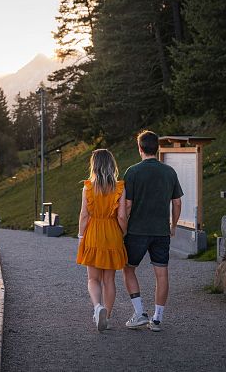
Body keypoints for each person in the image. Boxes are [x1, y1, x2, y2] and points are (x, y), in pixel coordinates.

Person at [122, 130, 182, 332]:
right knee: (162, 274)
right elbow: (177, 202)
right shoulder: (169, 172)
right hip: (161, 231)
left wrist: (123, 227)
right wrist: (173, 226)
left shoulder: (132, 172)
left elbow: (128, 205)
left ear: (140, 148)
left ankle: (139, 313)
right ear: (157, 148)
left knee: (129, 269)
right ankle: (157, 319)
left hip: (137, 230)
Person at [76, 149, 128, 332]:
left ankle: (98, 307)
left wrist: (81, 236)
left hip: (94, 234)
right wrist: (123, 233)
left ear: (94, 165)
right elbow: (122, 216)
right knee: (109, 280)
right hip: (112, 233)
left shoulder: (88, 187)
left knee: (93, 278)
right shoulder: (120, 187)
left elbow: (84, 215)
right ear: (112, 165)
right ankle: (108, 315)